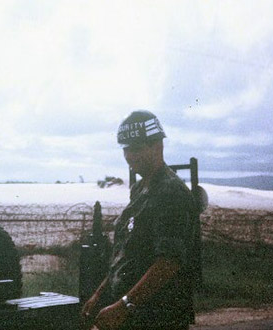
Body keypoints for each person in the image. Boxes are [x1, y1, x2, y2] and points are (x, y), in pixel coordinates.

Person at [81, 110, 200, 330]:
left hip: (159, 316)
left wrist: (124, 306)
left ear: (158, 146)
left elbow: (168, 262)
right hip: (134, 315)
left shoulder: (171, 192)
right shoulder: (139, 189)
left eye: (136, 148)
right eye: (126, 149)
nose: (129, 156)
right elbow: (126, 254)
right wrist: (100, 294)